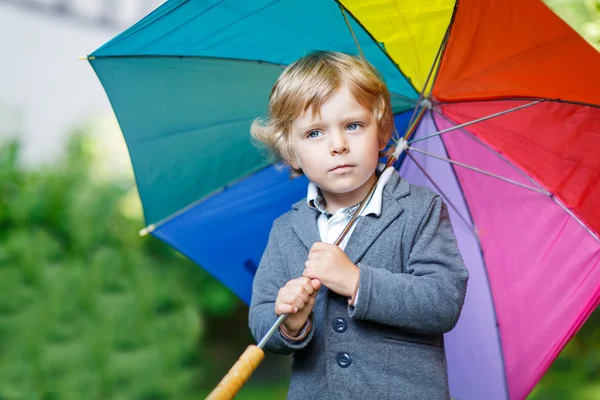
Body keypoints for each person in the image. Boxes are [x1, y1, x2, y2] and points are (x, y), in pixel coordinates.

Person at [248, 51, 469, 400]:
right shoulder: (286, 229)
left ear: (381, 133)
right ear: (291, 151)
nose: (338, 145)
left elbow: (442, 300)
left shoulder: (419, 209)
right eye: (315, 133)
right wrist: (289, 322)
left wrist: (357, 281)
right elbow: (261, 319)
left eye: (353, 126)